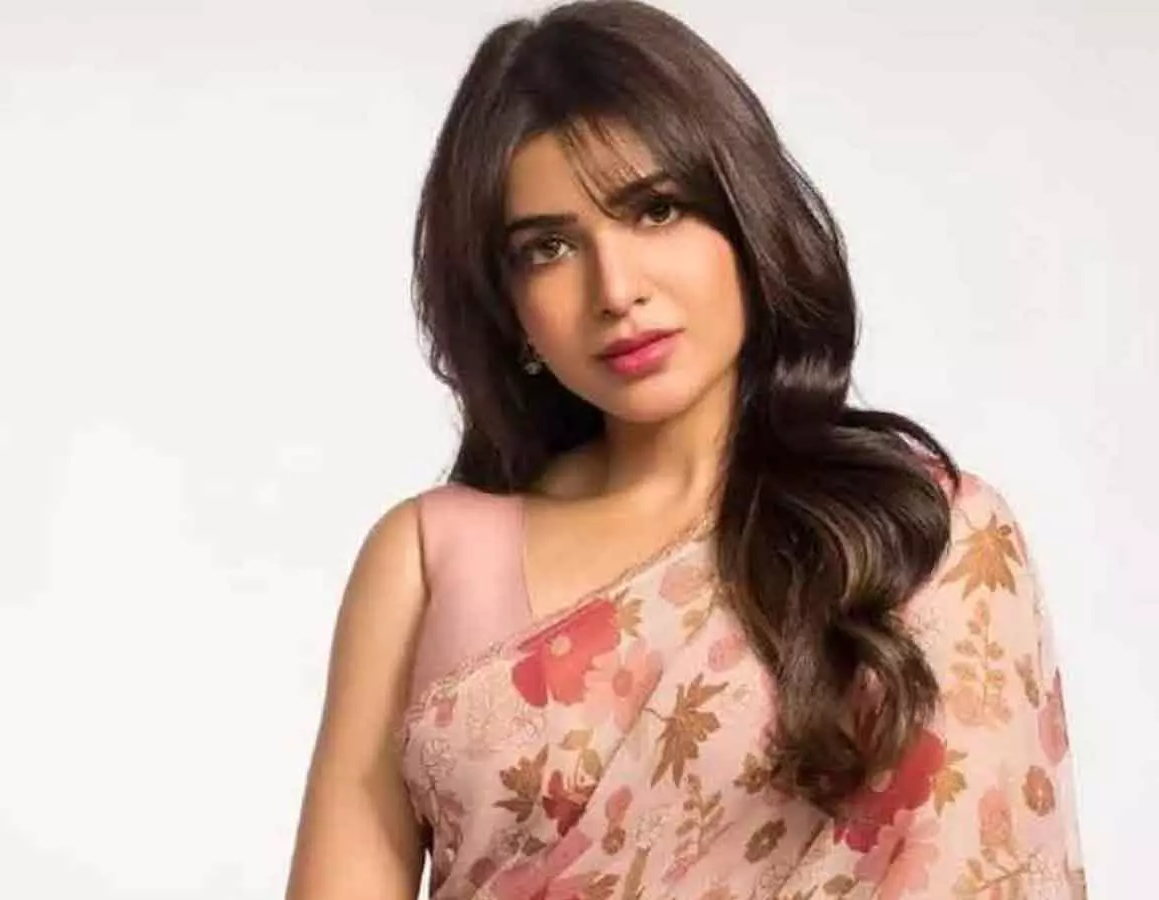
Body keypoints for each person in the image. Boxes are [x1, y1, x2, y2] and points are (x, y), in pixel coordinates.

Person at [286, 2, 1086, 898]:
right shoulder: (428, 557)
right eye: (549, 247)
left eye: (656, 210)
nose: (615, 289)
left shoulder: (921, 537)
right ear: (507, 305)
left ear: (745, 221)